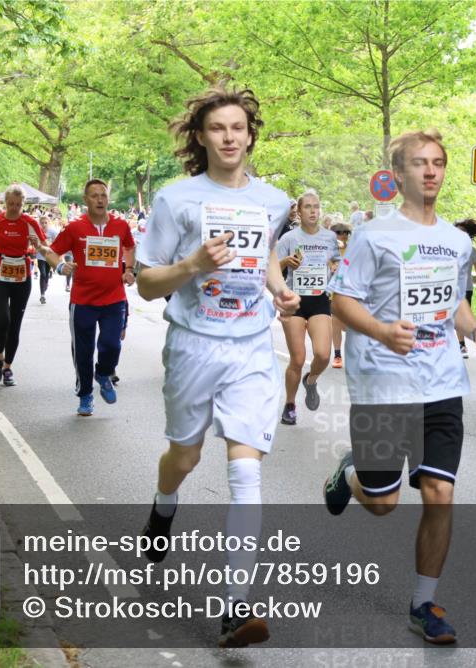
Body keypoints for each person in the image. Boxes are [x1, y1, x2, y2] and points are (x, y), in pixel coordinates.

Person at [135, 85, 298, 648]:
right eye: (218, 129)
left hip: (252, 346)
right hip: (193, 344)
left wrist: (279, 290)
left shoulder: (275, 200)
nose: (229, 137)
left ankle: (235, 608)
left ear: (251, 135)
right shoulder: (175, 200)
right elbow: (148, 284)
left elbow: (267, 253)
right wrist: (193, 263)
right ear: (201, 137)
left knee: (246, 469)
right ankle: (163, 506)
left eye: (238, 128)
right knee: (184, 455)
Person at [322, 129, 476, 645]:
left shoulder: (457, 241)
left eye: (438, 162)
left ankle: (424, 604)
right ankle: (351, 473)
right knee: (382, 504)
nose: (431, 171)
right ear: (398, 174)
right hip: (382, 382)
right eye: (419, 163)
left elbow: (454, 304)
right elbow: (341, 300)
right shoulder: (374, 235)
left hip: (440, 380)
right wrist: (380, 330)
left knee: (440, 493)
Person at [42, 179, 135, 416]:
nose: (100, 199)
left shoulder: (121, 226)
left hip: (114, 298)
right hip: (83, 300)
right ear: (85, 201)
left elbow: (129, 247)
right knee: (83, 351)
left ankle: (103, 373)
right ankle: (85, 395)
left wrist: (128, 269)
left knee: (113, 345)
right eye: (94, 195)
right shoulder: (75, 228)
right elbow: (52, 252)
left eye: (103, 195)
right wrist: (60, 266)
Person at [275, 189, 340, 425]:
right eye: (308, 207)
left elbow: (339, 263)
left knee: (323, 354)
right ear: (299, 212)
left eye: (316, 206)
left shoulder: (329, 238)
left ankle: (310, 381)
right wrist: (284, 262)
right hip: (295, 300)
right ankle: (290, 404)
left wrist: (334, 272)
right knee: (298, 357)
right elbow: (273, 268)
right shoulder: (288, 239)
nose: (313, 211)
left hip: (320, 298)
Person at [0, 185, 47, 387]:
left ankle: (8, 367)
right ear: (5, 202)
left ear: (23, 204)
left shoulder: (30, 222)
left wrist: (36, 245)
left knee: (15, 323)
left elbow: (44, 246)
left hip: (21, 275)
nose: (14, 208)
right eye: (11, 204)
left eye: (18, 205)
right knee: (2, 320)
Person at [453, 219, 476, 359]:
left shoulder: (472, 250)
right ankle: (460, 345)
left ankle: (461, 345)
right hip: (450, 289)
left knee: (461, 318)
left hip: (466, 288)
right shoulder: (448, 249)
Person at [329, 221, 352, 368]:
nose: (343, 235)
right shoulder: (328, 249)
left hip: (350, 292)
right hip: (333, 292)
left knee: (349, 326)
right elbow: (326, 264)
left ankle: (353, 354)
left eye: (345, 232)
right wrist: (331, 266)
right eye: (339, 232)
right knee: (336, 323)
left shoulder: (353, 248)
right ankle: (337, 356)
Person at [36, 216, 54, 304]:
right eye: (42, 223)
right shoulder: (38, 231)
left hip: (49, 256)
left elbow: (57, 241)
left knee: (46, 274)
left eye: (45, 223)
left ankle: (45, 285)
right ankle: (42, 295)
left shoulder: (53, 232)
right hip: (40, 256)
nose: (44, 224)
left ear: (49, 223)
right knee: (42, 274)